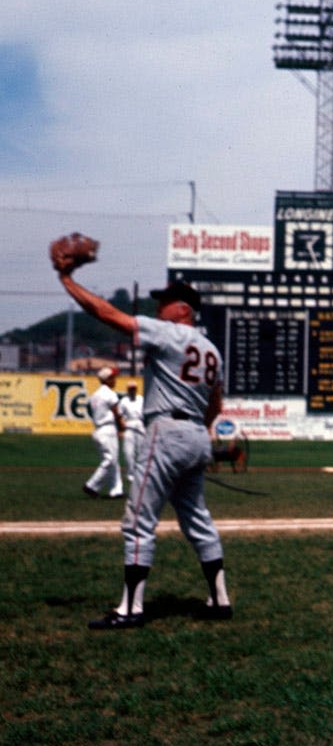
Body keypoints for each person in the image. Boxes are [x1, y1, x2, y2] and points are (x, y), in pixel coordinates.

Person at [55, 267, 232, 630]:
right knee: (198, 519)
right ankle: (219, 599)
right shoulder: (212, 349)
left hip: (165, 430)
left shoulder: (168, 332)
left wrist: (68, 281)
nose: (158, 308)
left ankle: (130, 609)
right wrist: (200, 433)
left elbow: (106, 314)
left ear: (183, 309)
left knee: (138, 520)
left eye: (164, 303)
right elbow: (216, 406)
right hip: (197, 432)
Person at [83, 366, 124, 499]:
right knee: (110, 459)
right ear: (107, 379)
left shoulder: (94, 395)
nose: (115, 380)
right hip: (108, 429)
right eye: (113, 378)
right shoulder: (110, 394)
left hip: (98, 429)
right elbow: (116, 412)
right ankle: (92, 485)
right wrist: (122, 426)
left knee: (113, 460)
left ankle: (116, 490)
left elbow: (90, 411)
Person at [117, 380, 146, 489]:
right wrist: (120, 429)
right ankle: (130, 475)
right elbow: (119, 416)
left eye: (134, 388)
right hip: (128, 426)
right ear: (128, 389)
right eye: (130, 389)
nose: (132, 390)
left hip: (140, 426)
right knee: (128, 453)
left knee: (141, 451)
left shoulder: (141, 399)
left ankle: (140, 474)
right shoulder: (124, 401)